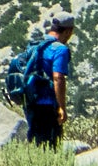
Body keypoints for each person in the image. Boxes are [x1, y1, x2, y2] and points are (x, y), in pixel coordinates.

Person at [27, 11, 77, 147]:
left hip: (30, 102)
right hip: (48, 106)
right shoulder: (60, 49)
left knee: (35, 144)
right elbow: (58, 78)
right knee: (51, 146)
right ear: (68, 31)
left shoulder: (36, 44)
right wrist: (61, 107)